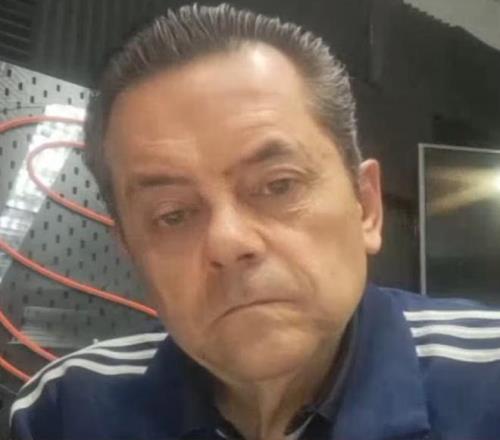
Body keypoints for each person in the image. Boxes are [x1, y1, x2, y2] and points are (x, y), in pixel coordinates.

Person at [9, 3, 500, 440]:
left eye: (279, 185)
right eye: (172, 215)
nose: (228, 242)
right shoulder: (64, 410)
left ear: (366, 207)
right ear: (132, 253)